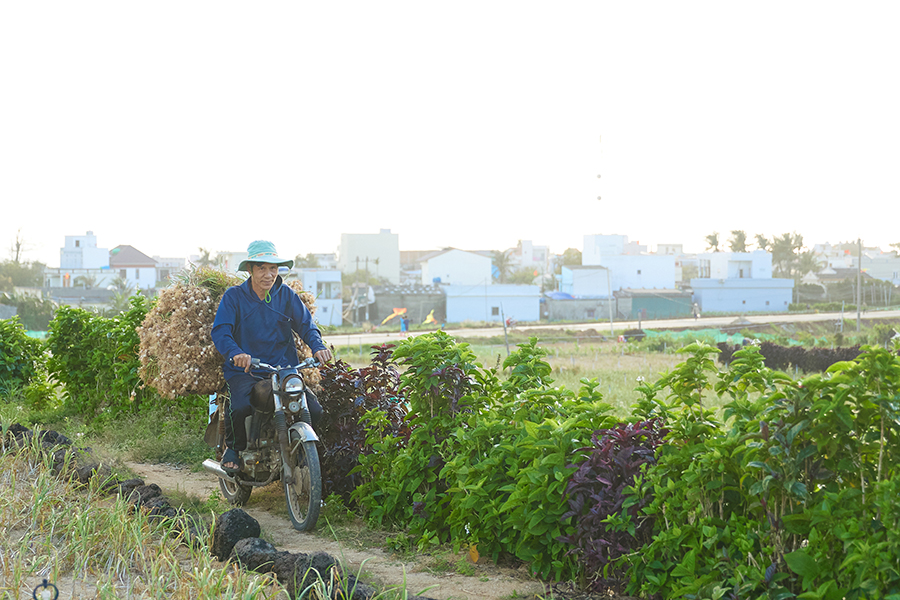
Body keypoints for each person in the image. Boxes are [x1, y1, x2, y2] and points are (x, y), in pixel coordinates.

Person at [211, 240, 333, 474]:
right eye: (262, 268)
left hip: (282, 369)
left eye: (273, 268)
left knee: (315, 410)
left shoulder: (286, 295)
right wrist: (236, 353)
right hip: (246, 370)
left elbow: (306, 325)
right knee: (240, 407)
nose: (268, 274)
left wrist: (318, 346)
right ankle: (233, 449)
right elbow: (221, 331)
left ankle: (301, 454)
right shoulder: (234, 297)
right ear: (250, 269)